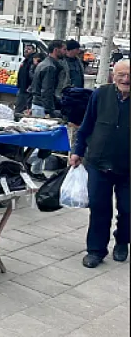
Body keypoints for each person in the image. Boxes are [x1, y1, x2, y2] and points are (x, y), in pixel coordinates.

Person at [71, 60, 129, 269]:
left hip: (128, 167)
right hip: (98, 162)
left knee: (128, 209)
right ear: (113, 76)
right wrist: (77, 152)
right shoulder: (100, 94)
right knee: (99, 207)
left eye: (129, 75)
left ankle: (122, 241)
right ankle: (95, 250)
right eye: (121, 74)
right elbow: (86, 126)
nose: (126, 79)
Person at [30, 40, 66, 117]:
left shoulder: (45, 63)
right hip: (42, 107)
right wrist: (50, 111)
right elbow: (46, 91)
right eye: (64, 49)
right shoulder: (50, 67)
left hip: (38, 104)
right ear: (56, 50)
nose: (65, 52)